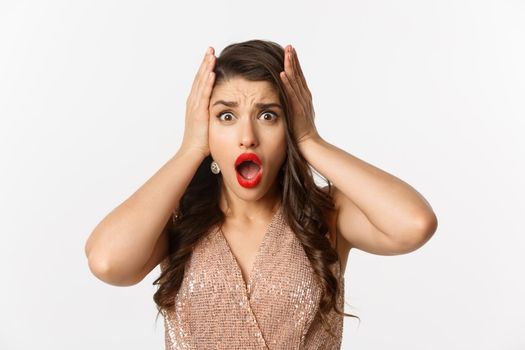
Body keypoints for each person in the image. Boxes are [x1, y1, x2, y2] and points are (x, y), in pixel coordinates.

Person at [84, 39, 438, 349]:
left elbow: (414, 224)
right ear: (205, 127)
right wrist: (189, 150)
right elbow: (107, 262)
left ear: (290, 125)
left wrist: (310, 141)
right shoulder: (177, 217)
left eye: (268, 115)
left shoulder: (327, 212)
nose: (247, 136)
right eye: (226, 116)